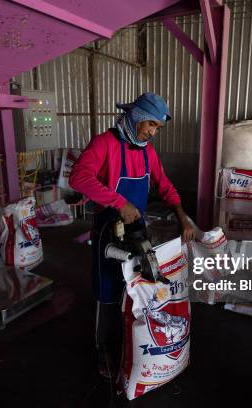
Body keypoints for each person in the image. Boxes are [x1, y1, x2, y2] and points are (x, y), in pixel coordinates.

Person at [69, 92, 196, 379]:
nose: (152, 132)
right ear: (136, 117)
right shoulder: (104, 144)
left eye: (157, 128)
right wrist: (118, 203)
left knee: (138, 289)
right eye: (150, 124)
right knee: (107, 291)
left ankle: (132, 340)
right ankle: (103, 347)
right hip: (108, 230)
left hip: (136, 229)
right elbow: (78, 177)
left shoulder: (147, 152)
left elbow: (165, 186)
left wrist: (183, 217)